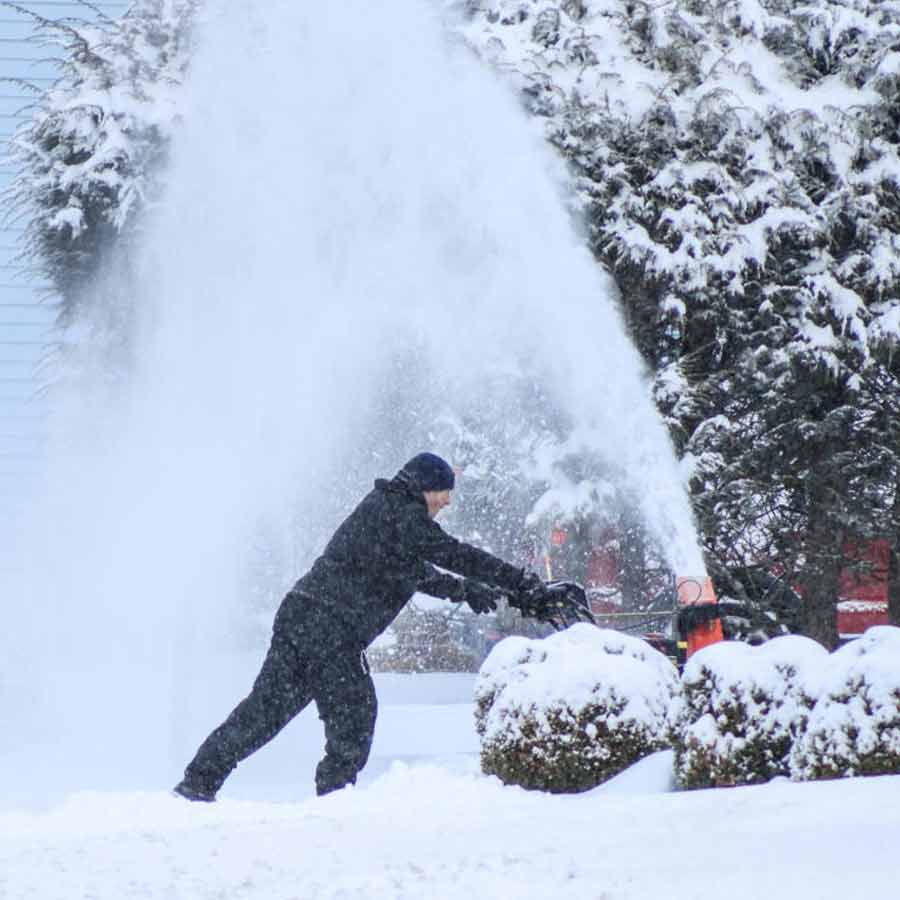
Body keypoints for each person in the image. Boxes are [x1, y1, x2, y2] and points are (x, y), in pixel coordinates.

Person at [173, 452, 558, 802]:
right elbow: (455, 554)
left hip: (302, 617)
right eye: (443, 491)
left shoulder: (386, 511)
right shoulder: (404, 514)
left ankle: (198, 782)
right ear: (423, 486)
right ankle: (334, 801)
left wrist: (466, 591)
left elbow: (410, 571)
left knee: (264, 713)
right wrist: (521, 583)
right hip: (331, 629)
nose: (447, 500)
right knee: (355, 716)